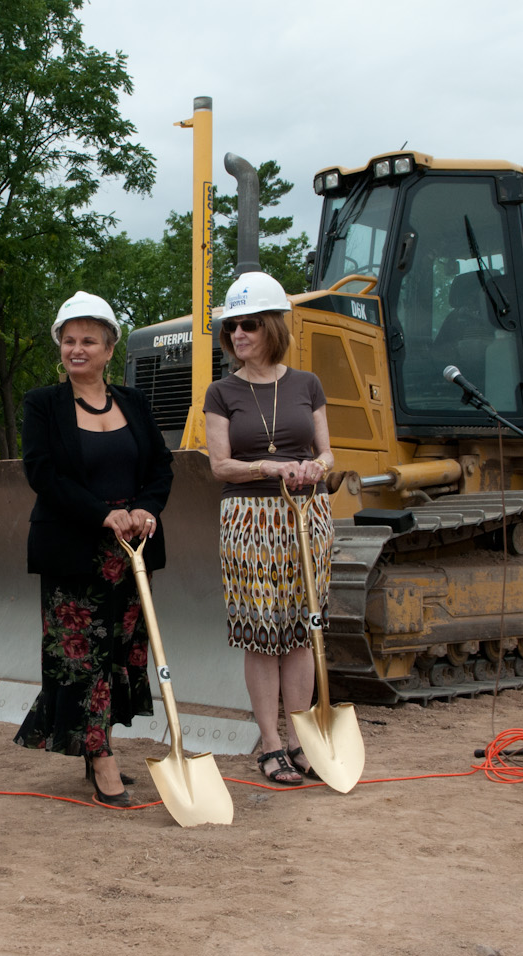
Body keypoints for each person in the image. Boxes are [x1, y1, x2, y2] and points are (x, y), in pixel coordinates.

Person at [12, 292, 173, 808]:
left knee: (120, 655)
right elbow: (42, 473)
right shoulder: (43, 404)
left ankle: (97, 743)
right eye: (68, 339)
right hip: (74, 547)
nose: (76, 349)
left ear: (108, 349)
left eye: (88, 341)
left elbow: (160, 468)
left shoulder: (135, 401)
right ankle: (102, 759)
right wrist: (101, 513)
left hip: (131, 550)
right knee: (81, 658)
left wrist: (147, 509)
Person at [202, 271, 334, 786]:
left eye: (249, 325)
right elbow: (220, 465)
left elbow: (326, 450)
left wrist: (315, 468)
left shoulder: (307, 384)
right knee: (261, 632)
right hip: (249, 518)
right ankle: (271, 744)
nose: (238, 335)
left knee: (301, 628)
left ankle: (300, 739)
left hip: (307, 515)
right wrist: (270, 467)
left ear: (273, 327)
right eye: (232, 327)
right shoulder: (222, 391)